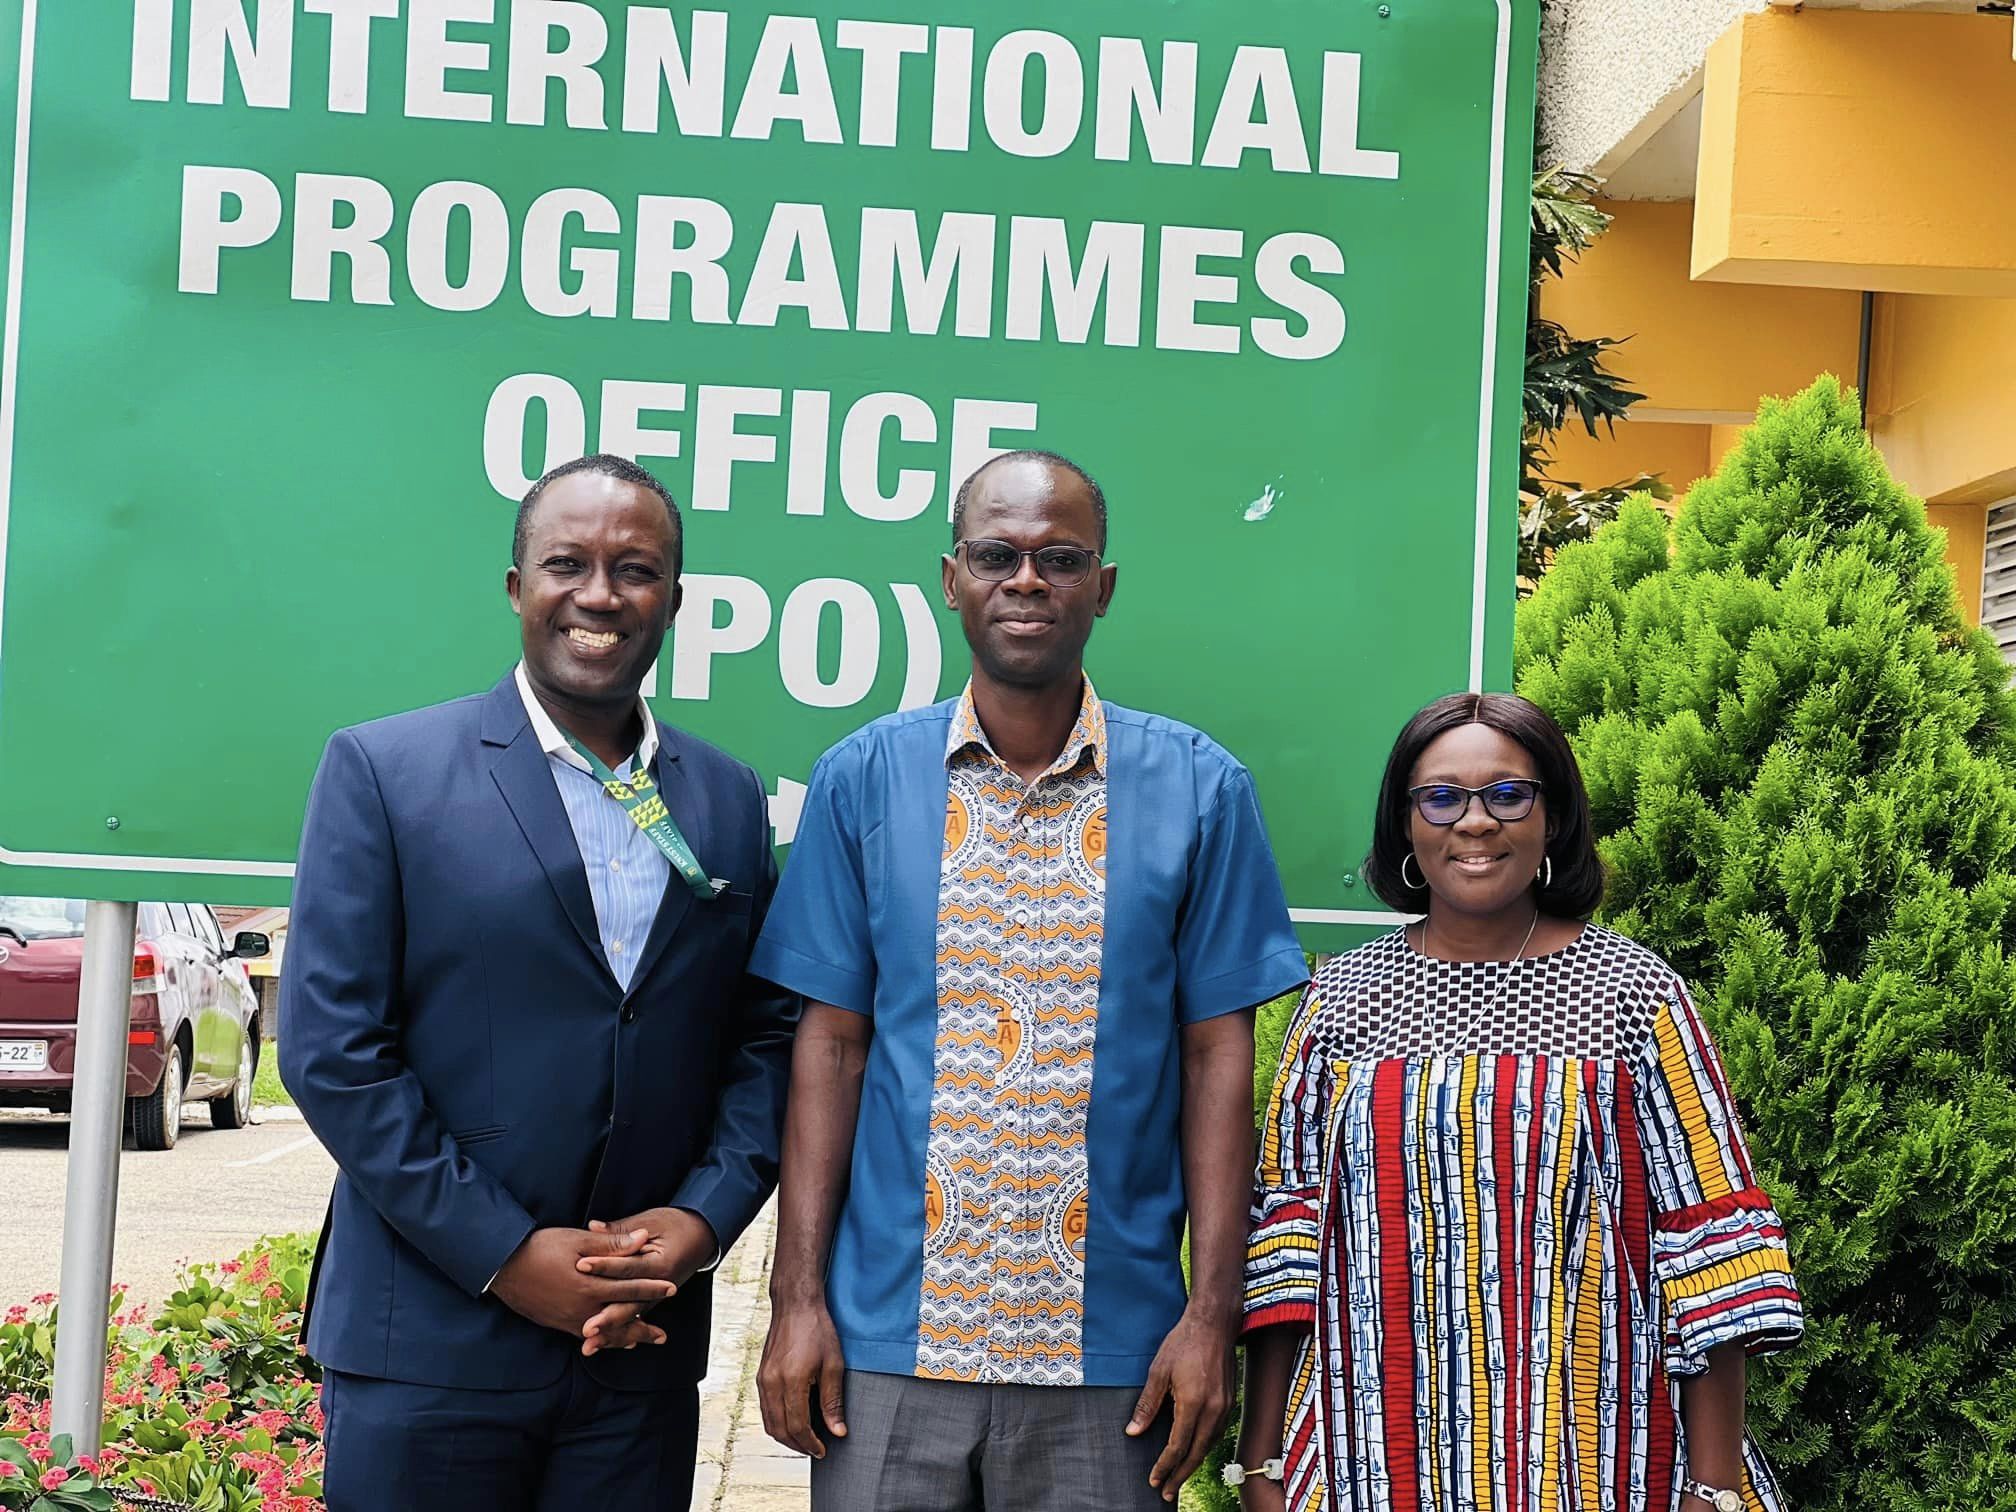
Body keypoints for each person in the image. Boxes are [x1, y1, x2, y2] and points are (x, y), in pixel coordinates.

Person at [748, 450, 1309, 1510]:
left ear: (1102, 587)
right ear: (952, 577)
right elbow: (830, 1044)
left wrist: (1210, 1316)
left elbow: (1215, 1060)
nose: (1028, 580)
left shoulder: (1200, 788)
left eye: (1061, 557)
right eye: (997, 555)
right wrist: (797, 1299)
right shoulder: (862, 777)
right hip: (888, 1351)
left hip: (1114, 1359)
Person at [282, 454, 796, 1512]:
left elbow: (767, 1040)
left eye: (635, 569)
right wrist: (509, 1255)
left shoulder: (731, 799)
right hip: (428, 1342)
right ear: (517, 587)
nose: (599, 594)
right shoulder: (386, 772)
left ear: (675, 602)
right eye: (567, 563)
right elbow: (333, 1053)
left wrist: (699, 1224)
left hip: (637, 1354)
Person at [1234, 692, 1804, 1512]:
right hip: (1371, 1460)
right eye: (1442, 796)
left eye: (1508, 794)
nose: (1475, 821)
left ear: (1553, 819)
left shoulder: (1634, 997)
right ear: (1405, 823)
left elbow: (1710, 1248)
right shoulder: (1342, 1001)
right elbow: (1287, 1247)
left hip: (1596, 1460)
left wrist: (1710, 1488)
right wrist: (1262, 1465)